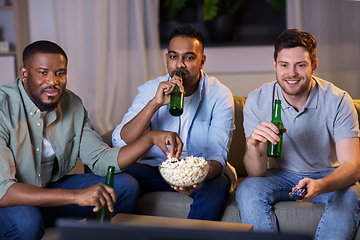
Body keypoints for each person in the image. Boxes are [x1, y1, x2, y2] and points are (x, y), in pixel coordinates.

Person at [0, 40, 182, 240]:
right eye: (43, 72)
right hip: (10, 201)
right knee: (27, 220)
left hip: (48, 190)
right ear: (24, 74)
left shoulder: (72, 104)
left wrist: (149, 138)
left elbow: (102, 160)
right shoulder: (3, 107)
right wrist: (77, 196)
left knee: (124, 187)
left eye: (60, 73)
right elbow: (4, 190)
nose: (53, 81)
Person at [236, 29, 360, 240]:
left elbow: (352, 167)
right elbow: (255, 172)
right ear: (275, 65)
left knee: (350, 195)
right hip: (280, 176)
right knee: (247, 189)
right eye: (284, 65)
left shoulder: (338, 100)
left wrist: (320, 185)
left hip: (326, 174)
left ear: (314, 65)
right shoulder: (258, 100)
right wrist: (252, 145)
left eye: (300, 65)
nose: (291, 73)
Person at [112, 23, 236, 220]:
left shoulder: (220, 95)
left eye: (189, 57)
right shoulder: (150, 89)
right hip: (156, 168)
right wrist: (154, 103)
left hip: (200, 171)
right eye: (173, 56)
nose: (179, 64)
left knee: (214, 192)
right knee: (117, 182)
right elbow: (120, 141)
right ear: (166, 59)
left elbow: (217, 156)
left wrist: (194, 176)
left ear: (202, 61)